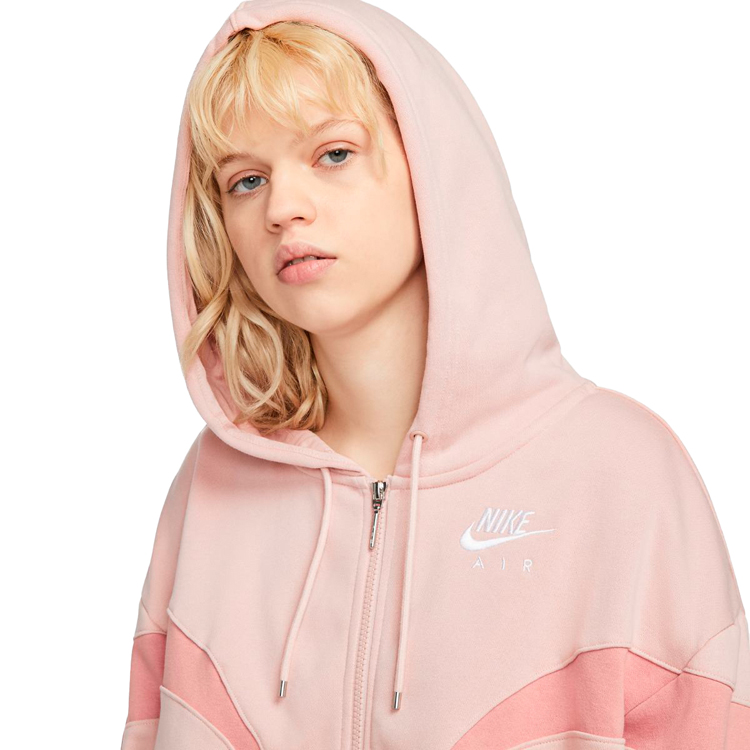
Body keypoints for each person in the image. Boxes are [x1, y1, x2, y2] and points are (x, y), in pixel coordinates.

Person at [120, 1, 750, 748]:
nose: (283, 208)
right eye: (247, 180)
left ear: (432, 164)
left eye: (333, 154)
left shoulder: (621, 473)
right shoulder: (210, 487)